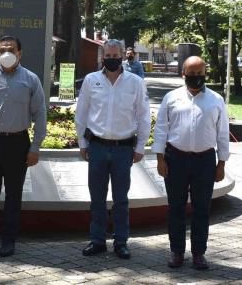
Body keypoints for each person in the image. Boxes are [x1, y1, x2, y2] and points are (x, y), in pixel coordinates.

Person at [0, 35, 47, 257]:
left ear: (20, 53)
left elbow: (40, 114)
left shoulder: (31, 80)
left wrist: (35, 147)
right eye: (2, 49)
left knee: (13, 194)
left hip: (17, 143)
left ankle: (8, 241)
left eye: (11, 49)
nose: (6, 53)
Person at [74, 38, 151, 259]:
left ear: (122, 57)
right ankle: (97, 240)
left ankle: (121, 242)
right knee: (97, 197)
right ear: (102, 57)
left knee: (121, 199)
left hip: (123, 149)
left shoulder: (135, 82)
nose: (112, 60)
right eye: (108, 56)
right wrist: (82, 142)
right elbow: (81, 114)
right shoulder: (90, 80)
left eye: (116, 56)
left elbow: (144, 116)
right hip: (97, 147)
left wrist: (140, 147)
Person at [153, 56, 229, 270]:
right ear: (183, 74)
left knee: (202, 209)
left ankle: (198, 253)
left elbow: (223, 133)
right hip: (175, 159)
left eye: (200, 73)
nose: (196, 78)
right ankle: (177, 252)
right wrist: (160, 159)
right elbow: (161, 129)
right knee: (175, 207)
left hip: (205, 160)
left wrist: (221, 163)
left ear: (205, 73)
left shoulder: (216, 100)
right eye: (191, 74)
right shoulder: (171, 98)